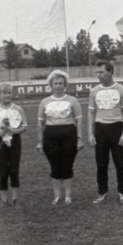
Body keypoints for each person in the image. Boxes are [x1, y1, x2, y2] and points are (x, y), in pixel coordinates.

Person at [87, 60, 123, 204]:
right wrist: (90, 133)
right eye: (97, 72)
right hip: (100, 128)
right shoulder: (94, 91)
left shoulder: (122, 90)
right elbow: (91, 113)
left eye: (102, 72)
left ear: (111, 72)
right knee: (101, 164)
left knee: (120, 163)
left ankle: (122, 192)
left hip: (116, 128)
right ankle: (102, 192)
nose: (98, 75)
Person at [36, 70, 83, 205]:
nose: (58, 86)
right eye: (55, 83)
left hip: (69, 133)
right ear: (51, 85)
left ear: (65, 84)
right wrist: (40, 142)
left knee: (68, 165)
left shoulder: (72, 100)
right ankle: (57, 196)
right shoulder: (44, 101)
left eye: (61, 83)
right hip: (50, 135)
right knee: (54, 166)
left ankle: (68, 196)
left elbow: (79, 120)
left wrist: (80, 139)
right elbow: (40, 123)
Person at [0, 83, 28, 206]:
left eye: (9, 92)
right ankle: (4, 198)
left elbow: (25, 126)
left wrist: (14, 131)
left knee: (14, 169)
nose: (7, 95)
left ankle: (15, 195)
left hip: (15, 140)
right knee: (3, 170)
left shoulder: (18, 109)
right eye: (4, 93)